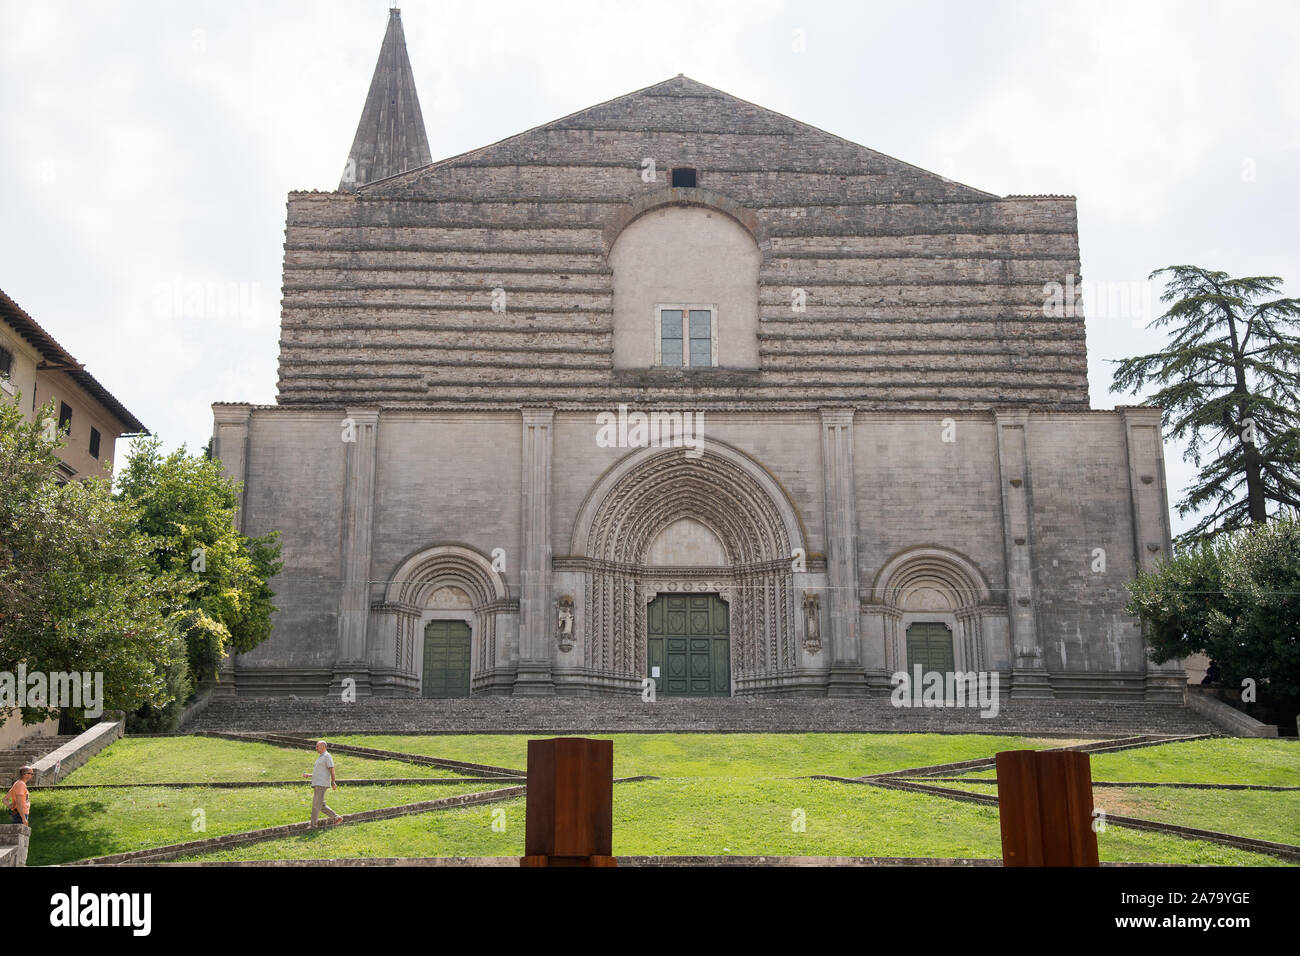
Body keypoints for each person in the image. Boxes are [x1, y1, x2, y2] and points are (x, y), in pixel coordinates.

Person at [302, 740, 343, 826]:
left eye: (318, 746)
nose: (316, 748)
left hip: (321, 784)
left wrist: (333, 782)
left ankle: (313, 825)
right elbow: (320, 772)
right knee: (321, 805)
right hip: (318, 783)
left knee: (316, 805)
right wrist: (309, 775)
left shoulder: (327, 756)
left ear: (323, 747)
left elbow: (332, 769)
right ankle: (336, 817)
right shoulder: (321, 757)